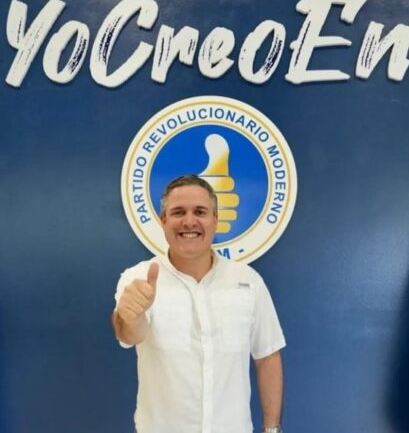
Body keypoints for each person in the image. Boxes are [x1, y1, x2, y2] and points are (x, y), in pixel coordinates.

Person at [113, 174, 285, 433]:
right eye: (178, 212)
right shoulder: (138, 278)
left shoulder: (248, 281)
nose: (189, 221)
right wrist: (130, 316)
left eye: (200, 212)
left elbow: (267, 356)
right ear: (163, 220)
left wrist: (272, 429)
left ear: (215, 220)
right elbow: (129, 334)